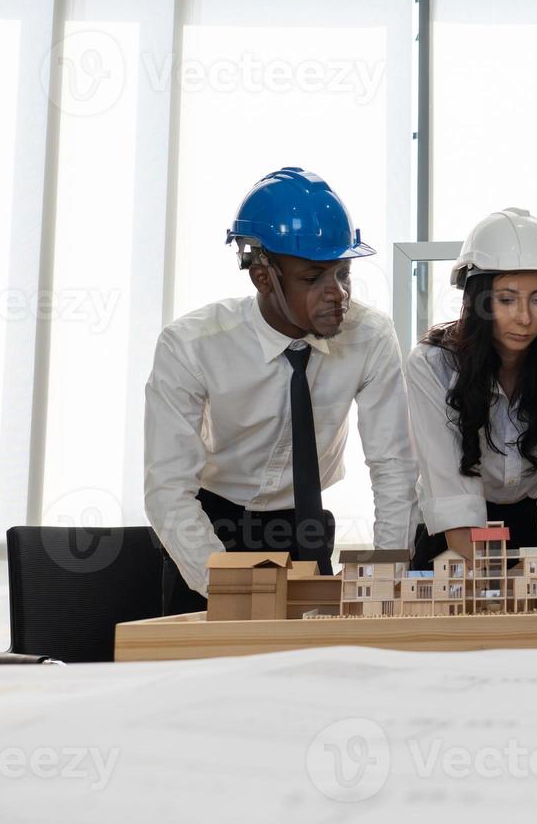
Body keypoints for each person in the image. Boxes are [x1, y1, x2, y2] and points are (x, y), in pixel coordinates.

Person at [147, 168, 417, 615]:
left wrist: (388, 577)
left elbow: (393, 467)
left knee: (311, 672)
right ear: (262, 276)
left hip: (304, 525)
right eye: (313, 278)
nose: (338, 295)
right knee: (209, 674)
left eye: (343, 274)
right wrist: (222, 586)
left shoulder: (369, 337)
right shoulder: (192, 345)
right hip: (211, 525)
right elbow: (167, 489)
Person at [407, 208, 537, 566]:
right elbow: (455, 497)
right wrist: (494, 587)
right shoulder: (431, 365)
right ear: (476, 299)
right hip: (454, 537)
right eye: (506, 299)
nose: (525, 318)